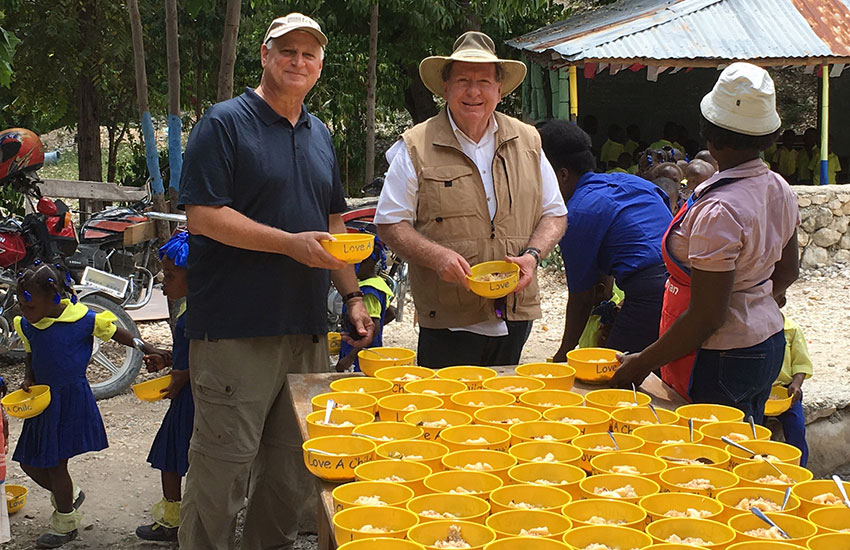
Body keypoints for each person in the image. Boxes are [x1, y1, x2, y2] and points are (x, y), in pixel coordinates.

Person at [177, 13, 375, 550]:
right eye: (287, 50)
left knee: (290, 471)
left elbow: (334, 227)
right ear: (264, 55)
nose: (298, 61)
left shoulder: (319, 135)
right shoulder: (224, 123)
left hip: (306, 329)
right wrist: (288, 243)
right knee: (222, 472)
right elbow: (203, 214)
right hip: (236, 330)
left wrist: (352, 294)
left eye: (309, 54)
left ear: (319, 66)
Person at [611, 63, 800, 425]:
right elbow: (788, 271)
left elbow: (708, 315)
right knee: (743, 443)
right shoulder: (778, 187)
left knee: (709, 456)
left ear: (710, 135)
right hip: (767, 342)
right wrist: (752, 301)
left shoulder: (720, 209)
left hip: (721, 356)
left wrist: (642, 362)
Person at [375, 31, 567, 368]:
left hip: (514, 309)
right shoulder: (416, 146)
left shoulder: (528, 140)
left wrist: (534, 256)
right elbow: (390, 222)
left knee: (503, 409)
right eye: (463, 80)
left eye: (483, 81)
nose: (473, 91)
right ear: (445, 89)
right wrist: (437, 257)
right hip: (448, 315)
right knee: (443, 414)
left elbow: (554, 214)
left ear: (499, 89)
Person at [12, 260, 167, 548]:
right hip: (43, 403)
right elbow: (31, 356)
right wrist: (28, 378)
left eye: (29, 306)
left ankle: (65, 523)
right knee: (28, 463)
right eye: (21, 305)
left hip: (70, 402)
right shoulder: (28, 325)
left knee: (57, 464)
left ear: (53, 299)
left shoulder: (84, 320)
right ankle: (69, 495)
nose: (23, 311)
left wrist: (149, 348)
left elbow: (120, 334)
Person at [539, 120, 672, 361]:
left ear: (562, 175)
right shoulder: (636, 184)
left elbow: (583, 298)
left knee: (611, 377)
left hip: (649, 293)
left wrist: (563, 356)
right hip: (683, 288)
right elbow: (603, 290)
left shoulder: (576, 213)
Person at [135, 231, 192, 542]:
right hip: (184, 392)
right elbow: (189, 350)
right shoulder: (185, 306)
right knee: (172, 455)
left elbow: (211, 354)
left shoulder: (202, 310)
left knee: (173, 456)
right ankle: (177, 516)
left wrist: (183, 374)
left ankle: (175, 521)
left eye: (170, 275)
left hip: (195, 396)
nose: (162, 282)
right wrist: (169, 358)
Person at [335, 236, 396, 372]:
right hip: (368, 349)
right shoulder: (379, 284)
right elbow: (391, 312)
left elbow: (375, 324)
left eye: (355, 263)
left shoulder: (367, 292)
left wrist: (350, 357)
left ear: (368, 263)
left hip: (359, 354)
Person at [771, 313, 811, 466]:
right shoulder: (754, 330)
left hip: (786, 392)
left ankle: (800, 467)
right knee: (755, 429)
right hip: (760, 390)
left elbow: (801, 363)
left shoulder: (792, 330)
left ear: (781, 301)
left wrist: (797, 384)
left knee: (796, 427)